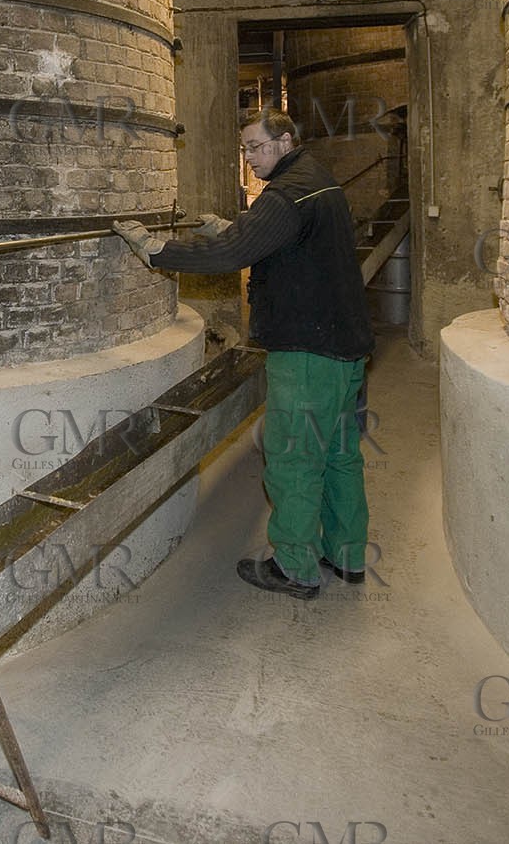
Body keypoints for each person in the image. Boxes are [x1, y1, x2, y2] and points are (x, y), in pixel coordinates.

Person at [113, 108, 375, 600]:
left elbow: (231, 257)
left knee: (294, 459)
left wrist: (157, 250)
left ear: (284, 141)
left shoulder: (284, 194)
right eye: (244, 149)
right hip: (347, 350)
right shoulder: (318, 180)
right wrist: (231, 227)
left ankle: (294, 567)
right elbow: (286, 243)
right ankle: (346, 555)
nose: (249, 158)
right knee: (338, 455)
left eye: (256, 147)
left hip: (307, 353)